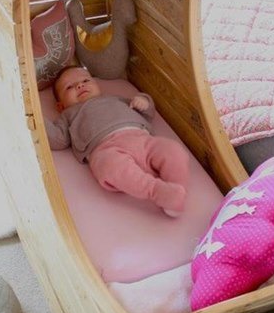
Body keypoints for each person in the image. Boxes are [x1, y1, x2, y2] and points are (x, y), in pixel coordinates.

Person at [44, 66, 190, 216]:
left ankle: (175, 190)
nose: (80, 85)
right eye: (69, 87)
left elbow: (148, 112)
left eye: (86, 80)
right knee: (110, 167)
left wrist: (143, 101)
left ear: (97, 85)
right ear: (60, 106)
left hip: (142, 139)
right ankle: (156, 190)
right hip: (106, 149)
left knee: (173, 150)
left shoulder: (114, 98)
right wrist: (36, 120)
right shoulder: (68, 115)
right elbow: (58, 138)